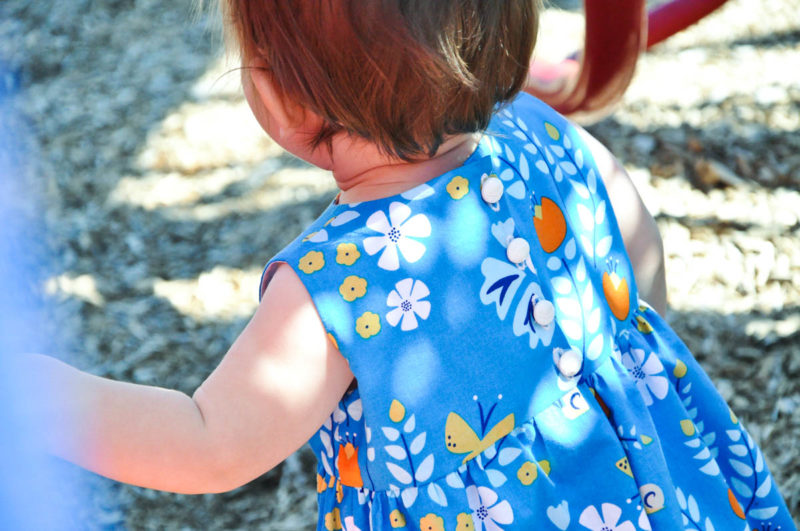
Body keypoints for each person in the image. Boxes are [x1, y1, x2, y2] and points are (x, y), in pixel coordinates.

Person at [23, 1, 793, 529]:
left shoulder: (338, 283)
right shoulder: (537, 128)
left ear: (288, 101)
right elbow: (636, 238)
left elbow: (210, 439)